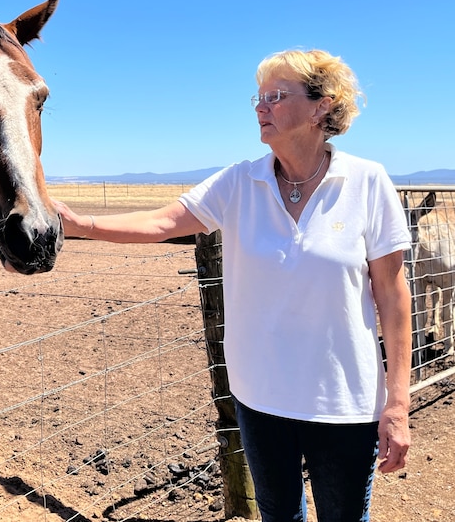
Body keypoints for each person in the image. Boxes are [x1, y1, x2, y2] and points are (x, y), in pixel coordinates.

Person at [54, 49, 412, 522]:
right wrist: (82, 224)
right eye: (258, 98)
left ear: (321, 106)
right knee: (277, 516)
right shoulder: (240, 182)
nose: (260, 108)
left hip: (343, 402)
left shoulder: (368, 182)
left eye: (276, 96)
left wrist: (398, 404)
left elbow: (392, 294)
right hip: (260, 397)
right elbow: (164, 220)